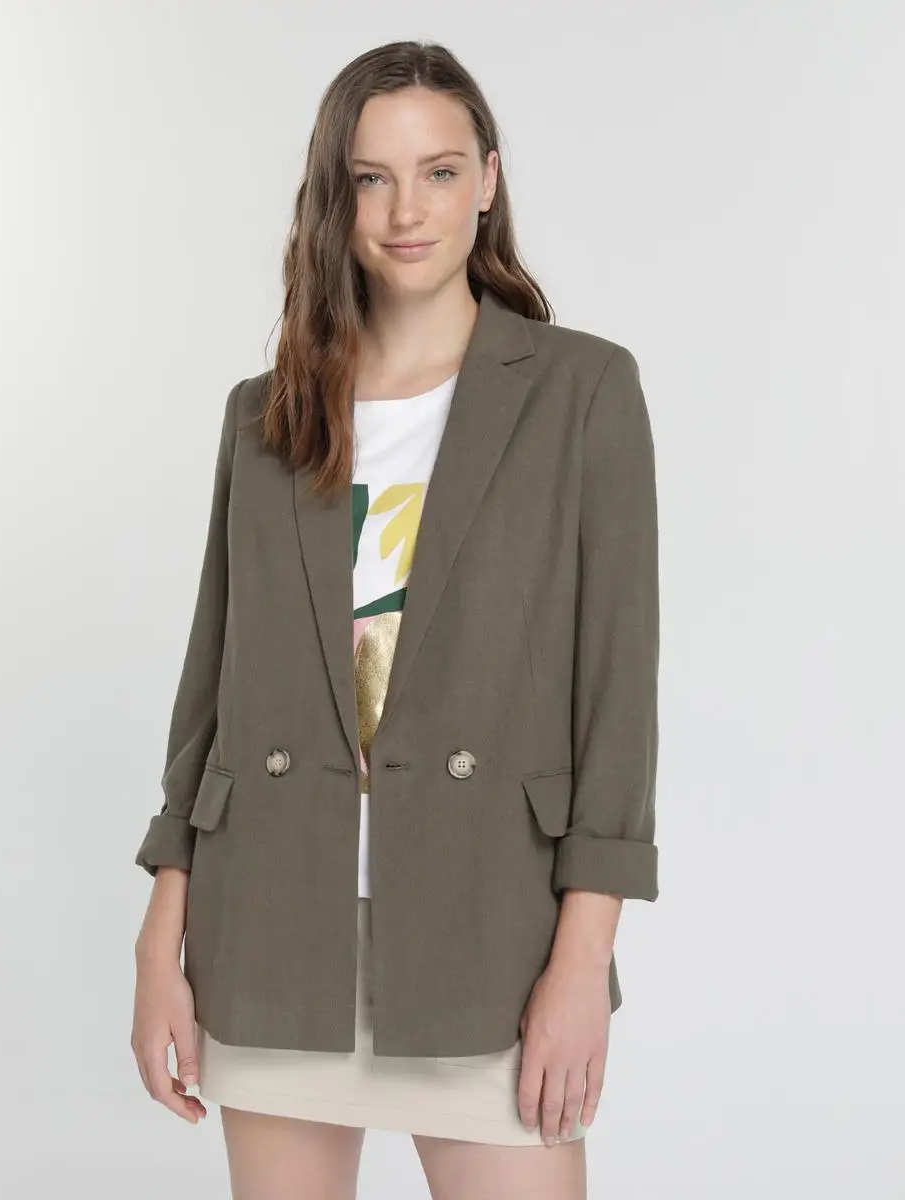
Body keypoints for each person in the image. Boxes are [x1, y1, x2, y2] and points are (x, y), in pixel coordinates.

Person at [131, 39, 660, 1200]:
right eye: (370, 178)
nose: (405, 211)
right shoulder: (266, 417)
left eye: (438, 171)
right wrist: (159, 940)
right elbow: (210, 697)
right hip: (273, 932)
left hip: (489, 940)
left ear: (488, 179)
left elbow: (616, 702)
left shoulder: (580, 392)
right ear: (336, 196)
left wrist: (582, 964)